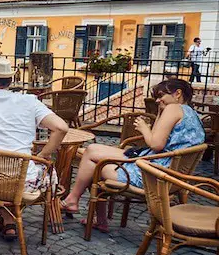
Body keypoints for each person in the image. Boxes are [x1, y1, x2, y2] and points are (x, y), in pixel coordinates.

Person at [61, 78, 205, 233]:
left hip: (152, 174)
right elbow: (158, 141)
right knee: (92, 150)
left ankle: (77, 204)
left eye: (161, 95)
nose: (158, 100)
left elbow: (156, 144)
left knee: (94, 164)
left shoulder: (174, 109)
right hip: (164, 169)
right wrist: (159, 113)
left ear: (178, 93)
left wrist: (144, 128)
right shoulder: (191, 113)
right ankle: (75, 202)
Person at [0, 58, 69, 240]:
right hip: (21, 182)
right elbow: (61, 128)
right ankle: (9, 220)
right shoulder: (29, 102)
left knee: (4, 171)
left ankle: (5, 219)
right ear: (11, 82)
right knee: (37, 169)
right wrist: (43, 155)